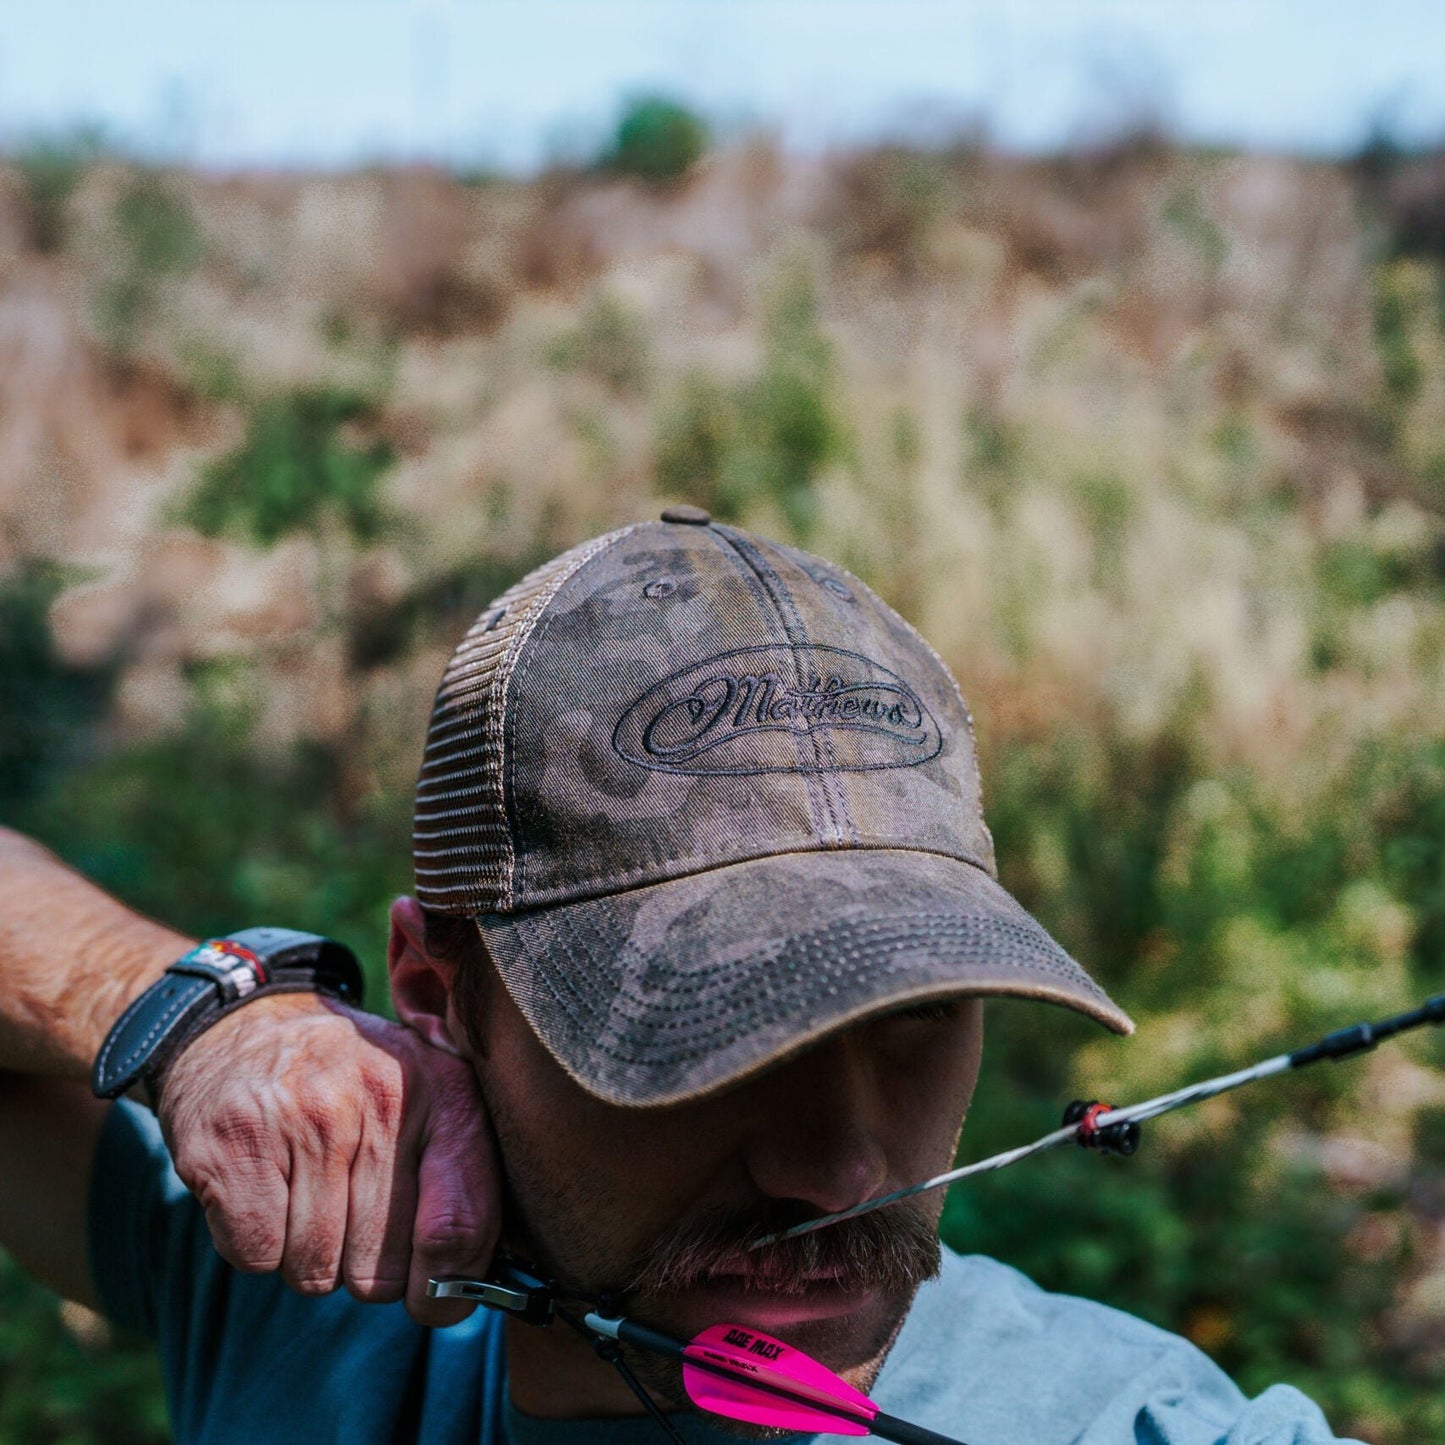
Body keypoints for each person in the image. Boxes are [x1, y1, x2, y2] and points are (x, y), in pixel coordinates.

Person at [0, 510, 1354, 1444]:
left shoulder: (1134, 1421)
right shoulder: (310, 1279)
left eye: (917, 1017)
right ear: (433, 988)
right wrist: (187, 1018)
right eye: (706, 1032)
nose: (834, 1169)